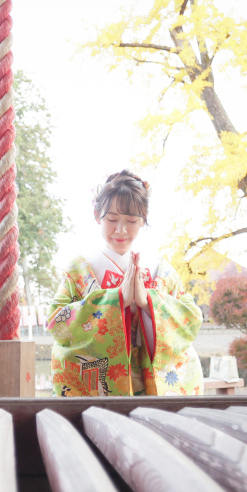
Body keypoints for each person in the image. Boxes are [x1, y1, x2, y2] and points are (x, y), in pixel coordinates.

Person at [46, 170, 204, 397]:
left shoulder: (161, 269)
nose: (120, 230)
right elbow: (57, 322)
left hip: (152, 395)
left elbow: (191, 319)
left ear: (143, 219)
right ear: (97, 214)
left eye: (131, 221)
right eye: (111, 219)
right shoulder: (80, 270)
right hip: (100, 393)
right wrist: (115, 300)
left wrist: (149, 302)